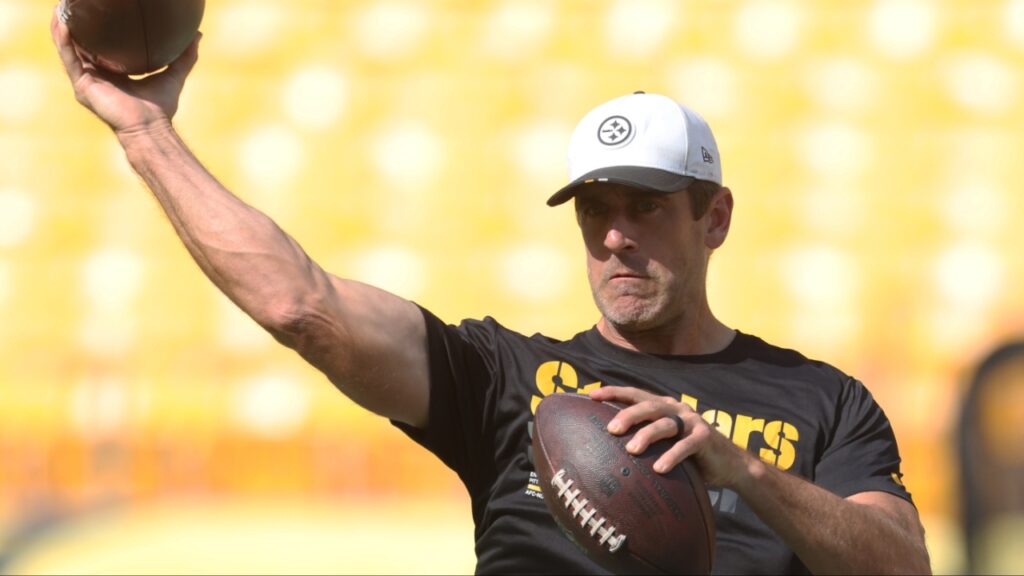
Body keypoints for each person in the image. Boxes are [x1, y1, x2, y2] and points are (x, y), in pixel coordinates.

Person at [51, 10, 931, 575]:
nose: (615, 236)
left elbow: (901, 566)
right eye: (594, 209)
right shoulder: (508, 378)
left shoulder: (822, 402)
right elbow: (300, 306)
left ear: (716, 218)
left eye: (646, 209)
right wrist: (145, 133)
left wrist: (736, 466)